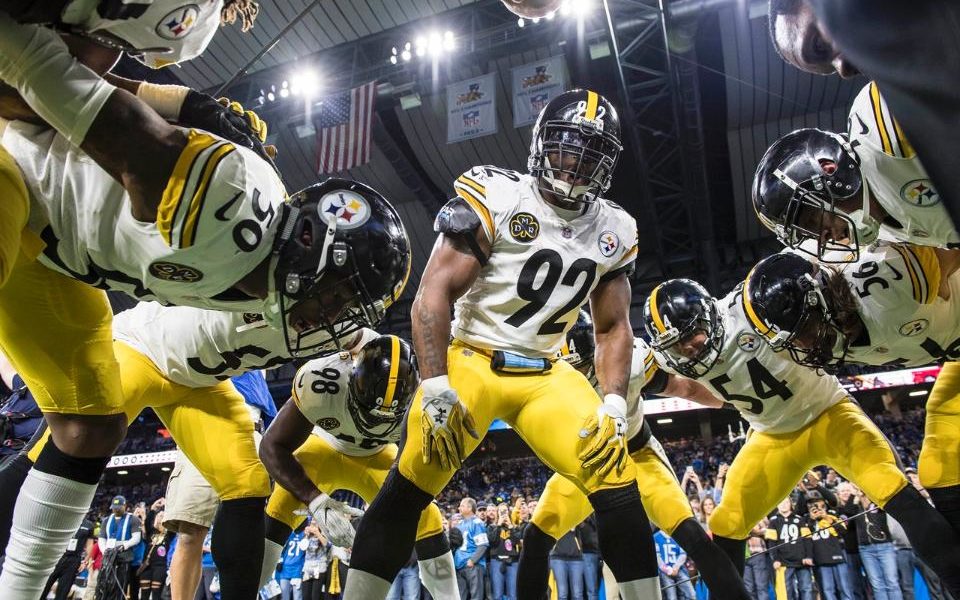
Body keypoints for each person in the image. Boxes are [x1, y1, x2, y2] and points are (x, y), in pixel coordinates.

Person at [0, 17, 409, 600]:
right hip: (135, 335)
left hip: (184, 368)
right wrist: (188, 104)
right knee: (78, 430)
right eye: (339, 297)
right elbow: (82, 98)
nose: (333, 318)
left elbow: (371, 356)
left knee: (240, 479)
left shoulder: (317, 327)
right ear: (309, 250)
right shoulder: (234, 205)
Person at [342, 89, 662, 599]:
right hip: (473, 356)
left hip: (549, 370)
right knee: (416, 472)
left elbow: (612, 327)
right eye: (566, 147)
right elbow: (433, 293)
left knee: (613, 470)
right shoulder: (498, 193)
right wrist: (436, 384)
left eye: (592, 154)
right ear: (541, 145)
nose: (576, 164)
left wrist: (615, 401)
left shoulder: (616, 229)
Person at [641, 277, 960, 597]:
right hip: (773, 436)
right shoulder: (674, 358)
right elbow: (677, 386)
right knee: (726, 522)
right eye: (677, 345)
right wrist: (728, 399)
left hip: (829, 414)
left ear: (709, 315)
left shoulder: (752, 306)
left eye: (691, 336)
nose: (688, 349)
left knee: (892, 488)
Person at [518, 311, 749, 599]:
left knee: (692, 535)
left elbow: (682, 387)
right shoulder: (543, 375)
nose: (581, 375)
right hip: (588, 466)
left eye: (586, 365)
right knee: (536, 537)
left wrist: (737, 402)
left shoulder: (631, 359)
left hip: (638, 455)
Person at [742, 247, 960, 538]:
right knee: (938, 469)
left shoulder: (887, 279)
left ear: (820, 298)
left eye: (805, 329)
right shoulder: (834, 343)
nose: (806, 345)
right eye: (796, 339)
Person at [258, 335, 460, 599]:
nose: (375, 422)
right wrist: (315, 500)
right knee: (281, 503)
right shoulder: (323, 379)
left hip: (377, 455)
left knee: (426, 515)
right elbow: (271, 446)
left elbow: (414, 466)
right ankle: (242, 589)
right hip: (324, 447)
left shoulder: (425, 401)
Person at [767, 0, 960, 239]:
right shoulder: (890, 230)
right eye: (830, 67)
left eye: (818, 44)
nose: (844, 70)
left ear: (827, 169)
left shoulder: (880, 127)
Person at [806, 491, 851, 600]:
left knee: (844, 588)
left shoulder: (832, 514)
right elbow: (806, 538)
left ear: (823, 502)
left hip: (837, 555)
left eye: (817, 502)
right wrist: (812, 520)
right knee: (827, 589)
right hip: (821, 559)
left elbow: (843, 531)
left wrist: (826, 517)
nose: (815, 505)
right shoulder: (806, 520)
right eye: (812, 503)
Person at [766, 498, 815, 600]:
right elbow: (771, 543)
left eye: (786, 502)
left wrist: (809, 556)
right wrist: (775, 559)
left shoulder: (800, 519)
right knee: (787, 590)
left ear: (791, 504)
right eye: (781, 502)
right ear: (777, 505)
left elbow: (807, 539)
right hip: (783, 562)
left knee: (806, 588)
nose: (783, 505)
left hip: (802, 561)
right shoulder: (773, 521)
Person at [98, 496, 144, 600]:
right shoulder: (106, 520)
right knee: (107, 585)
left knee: (122, 585)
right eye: (115, 507)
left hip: (125, 557)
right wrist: (104, 550)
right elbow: (102, 538)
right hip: (109, 557)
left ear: (125, 506)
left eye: (119, 507)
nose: (116, 510)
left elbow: (136, 538)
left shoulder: (133, 519)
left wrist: (124, 546)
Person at [41, 514, 96, 600]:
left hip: (73, 560)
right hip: (57, 557)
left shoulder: (88, 525)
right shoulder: (63, 520)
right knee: (44, 587)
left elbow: (89, 545)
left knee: (63, 591)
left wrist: (85, 561)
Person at [454, 498, 488, 600]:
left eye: (462, 505)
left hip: (473, 566)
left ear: (469, 508)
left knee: (476, 597)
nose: (459, 507)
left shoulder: (477, 522)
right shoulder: (459, 524)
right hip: (460, 566)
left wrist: (473, 560)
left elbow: (483, 545)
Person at [489, 503, 522, 600]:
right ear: (498, 514)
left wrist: (511, 527)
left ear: (509, 512)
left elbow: (517, 541)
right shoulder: (491, 527)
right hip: (496, 561)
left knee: (513, 595)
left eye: (505, 511)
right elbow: (492, 541)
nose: (503, 514)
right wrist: (498, 525)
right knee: (497, 594)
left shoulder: (515, 528)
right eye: (501, 511)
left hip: (513, 561)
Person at [138, 511, 173, 600]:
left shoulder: (169, 533)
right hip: (146, 565)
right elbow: (147, 520)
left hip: (160, 566)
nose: (160, 517)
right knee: (144, 594)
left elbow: (174, 524)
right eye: (159, 516)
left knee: (156, 594)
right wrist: (153, 509)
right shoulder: (151, 531)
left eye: (163, 516)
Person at [654, 528, 696, 600]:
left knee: (691, 594)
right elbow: (657, 557)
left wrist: (676, 567)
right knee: (671, 597)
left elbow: (683, 553)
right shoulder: (656, 537)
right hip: (664, 572)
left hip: (679, 569)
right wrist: (668, 570)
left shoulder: (677, 535)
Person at [549, 529, 584, 600]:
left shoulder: (576, 519)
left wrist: (576, 526)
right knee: (562, 594)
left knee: (577, 594)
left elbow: (585, 529)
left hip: (576, 558)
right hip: (558, 557)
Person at [744, 521, 772, 600]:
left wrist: (752, 531)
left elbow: (768, 531)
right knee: (748, 589)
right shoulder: (737, 518)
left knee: (761, 586)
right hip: (743, 556)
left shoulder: (759, 517)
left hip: (758, 554)